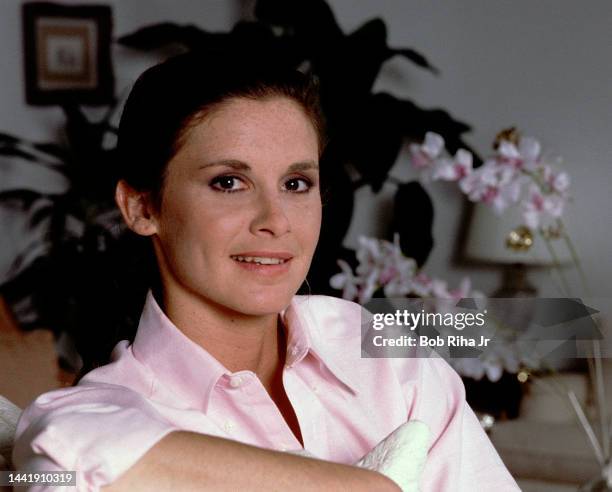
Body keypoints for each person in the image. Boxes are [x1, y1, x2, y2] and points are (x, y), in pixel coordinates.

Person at [12, 52, 519, 491]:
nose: (275, 221)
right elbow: (63, 462)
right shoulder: (105, 411)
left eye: (297, 183)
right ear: (143, 208)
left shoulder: (386, 357)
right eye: (229, 182)